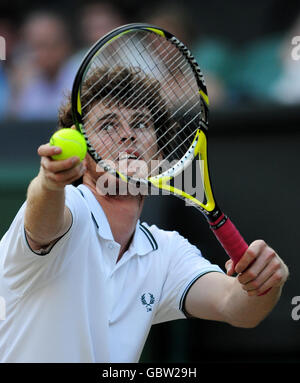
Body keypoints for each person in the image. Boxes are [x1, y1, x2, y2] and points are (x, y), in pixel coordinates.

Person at [0, 66, 289, 363]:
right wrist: (50, 182)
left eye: (140, 124)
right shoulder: (70, 208)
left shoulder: (166, 253)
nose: (128, 135)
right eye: (109, 125)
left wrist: (265, 284)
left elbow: (236, 306)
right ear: (83, 155)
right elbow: (42, 223)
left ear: (159, 155)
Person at [9, 11, 75, 120]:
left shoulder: (81, 78)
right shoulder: (24, 80)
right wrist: (16, 92)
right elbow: (14, 127)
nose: (38, 54)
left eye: (43, 45)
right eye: (32, 47)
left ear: (64, 45)